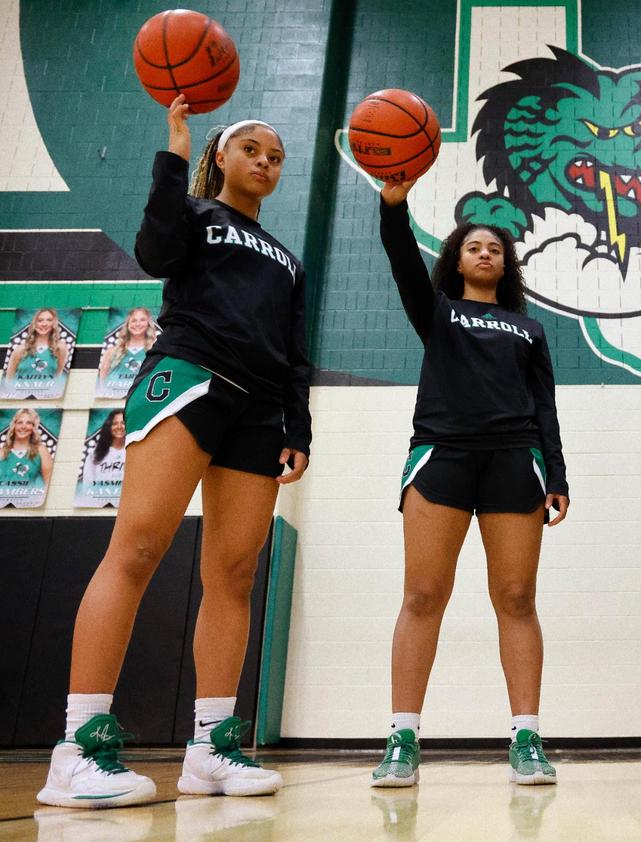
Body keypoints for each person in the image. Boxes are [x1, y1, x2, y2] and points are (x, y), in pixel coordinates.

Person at [38, 94, 313, 808]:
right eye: (253, 149)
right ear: (222, 156)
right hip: (188, 375)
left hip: (259, 408)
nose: (265, 162)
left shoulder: (288, 258)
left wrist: (298, 427)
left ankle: (210, 752)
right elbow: (154, 252)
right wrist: (174, 152)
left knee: (235, 574)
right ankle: (77, 748)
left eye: (276, 157)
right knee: (136, 548)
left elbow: (295, 354)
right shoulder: (194, 214)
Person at [370, 175, 569, 788]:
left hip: (516, 460)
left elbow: (545, 406)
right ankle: (403, 739)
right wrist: (393, 205)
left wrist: (556, 474)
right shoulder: (436, 310)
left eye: (496, 249)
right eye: (473, 246)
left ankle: (527, 739)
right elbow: (403, 259)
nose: (486, 254)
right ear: (456, 259)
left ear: (506, 266)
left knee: (516, 599)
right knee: (423, 596)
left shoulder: (529, 329)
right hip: (442, 456)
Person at [3, 307, 69, 391]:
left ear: (54, 323)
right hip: (20, 395)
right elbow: (9, 381)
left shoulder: (60, 347)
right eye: (40, 320)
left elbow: (57, 376)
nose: (44, 324)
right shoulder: (20, 349)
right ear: (34, 323)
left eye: (49, 320)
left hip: (46, 397)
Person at [0, 407, 54, 504]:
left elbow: (49, 483)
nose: (23, 426)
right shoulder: (2, 452)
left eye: (29, 423)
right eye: (20, 422)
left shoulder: (41, 450)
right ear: (14, 425)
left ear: (34, 427)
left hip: (28, 505)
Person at [98, 307, 157, 395]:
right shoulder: (112, 351)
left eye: (142, 320)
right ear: (128, 324)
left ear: (148, 323)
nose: (137, 324)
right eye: (133, 320)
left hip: (140, 396)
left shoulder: (154, 350)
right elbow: (102, 378)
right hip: (112, 397)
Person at [79, 410, 127, 503]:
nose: (119, 427)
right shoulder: (95, 454)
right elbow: (87, 484)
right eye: (115, 423)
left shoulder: (133, 451)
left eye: (123, 423)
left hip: (125, 505)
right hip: (99, 506)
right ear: (109, 427)